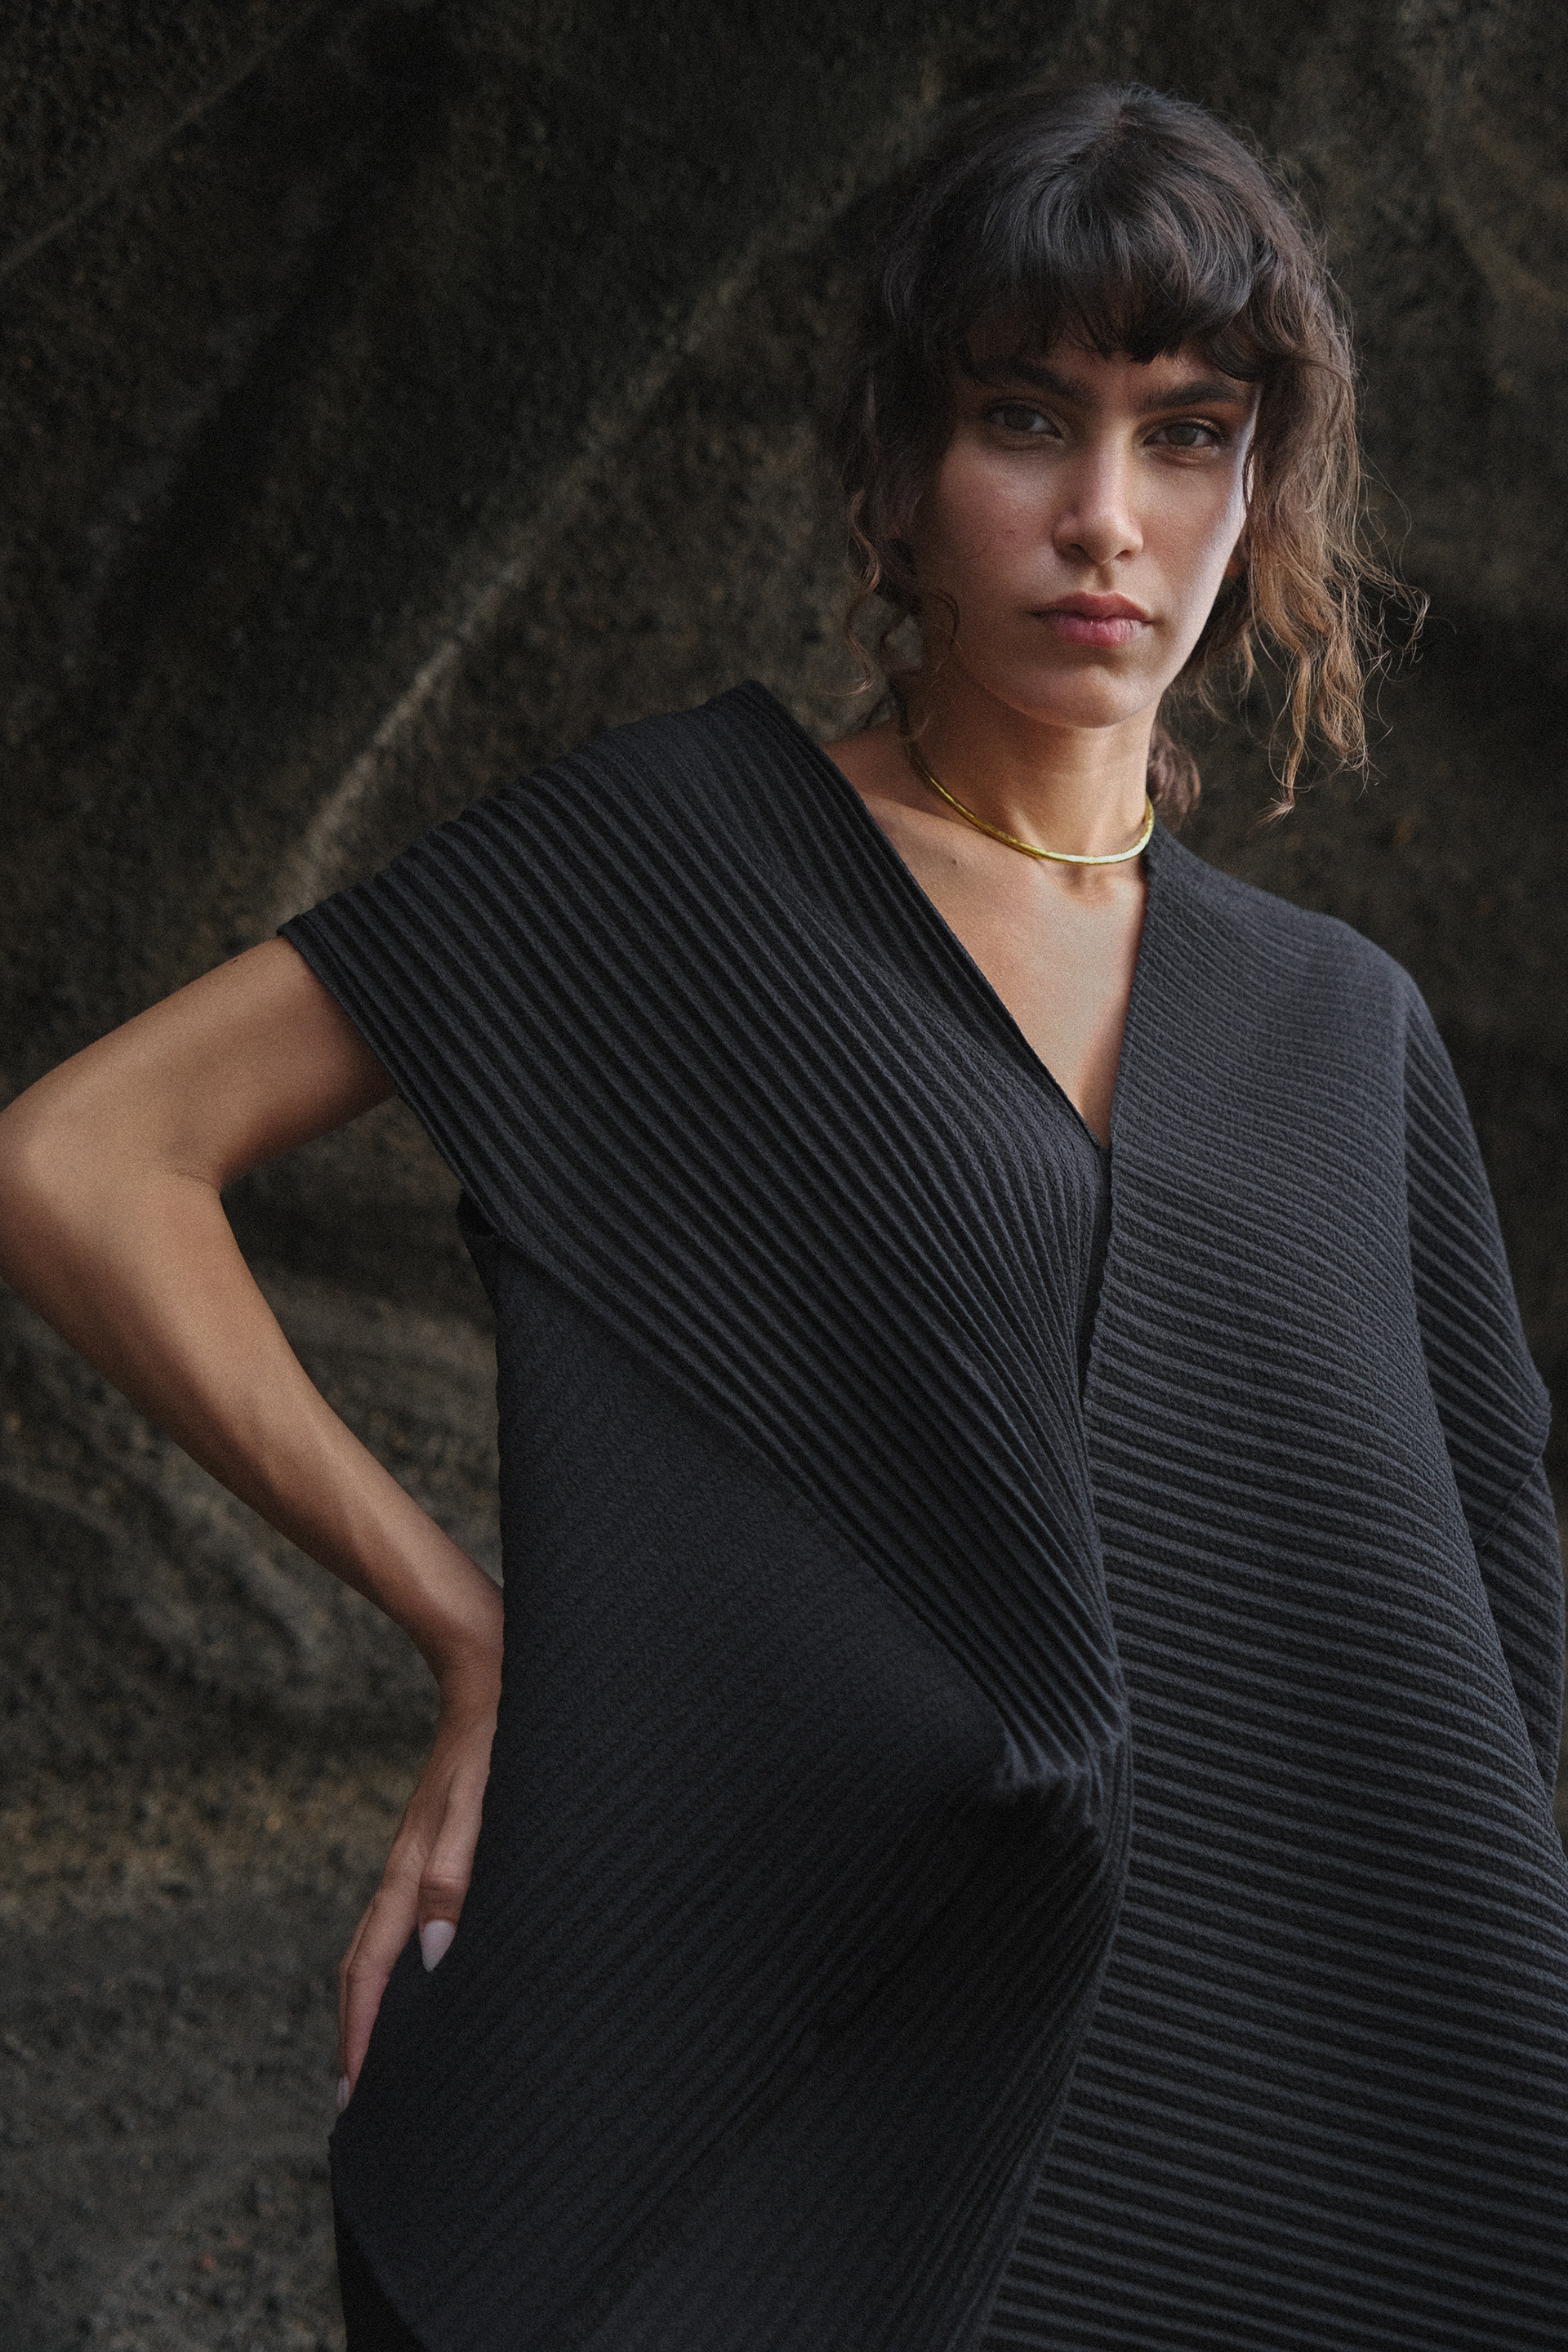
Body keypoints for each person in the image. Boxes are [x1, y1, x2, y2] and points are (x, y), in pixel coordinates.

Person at [0, 79, 1563, 2352]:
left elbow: (1473, 1668)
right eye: (1024, 418)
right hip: (800, 2089)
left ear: (1263, 491)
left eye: (1188, 435)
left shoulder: (1343, 1027)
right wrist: (474, 1635)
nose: (1104, 517)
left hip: (1273, 2148)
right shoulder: (681, 862)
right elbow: (78, 1160)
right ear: (896, 467)